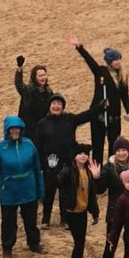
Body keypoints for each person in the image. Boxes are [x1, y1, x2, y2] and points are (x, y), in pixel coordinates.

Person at [0, 115, 45, 258]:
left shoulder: (29, 145)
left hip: (28, 190)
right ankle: (7, 248)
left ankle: (34, 244)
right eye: (12, 129)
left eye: (17, 128)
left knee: (30, 220)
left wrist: (40, 190)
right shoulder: (0, 148)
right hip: (9, 192)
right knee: (8, 222)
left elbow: (37, 169)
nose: (15, 131)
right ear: (7, 130)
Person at [68, 38, 129, 164]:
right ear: (109, 62)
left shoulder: (122, 75)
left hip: (114, 116)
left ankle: (111, 170)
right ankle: (97, 175)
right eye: (114, 60)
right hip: (98, 114)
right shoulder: (101, 72)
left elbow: (124, 95)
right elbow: (90, 61)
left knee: (114, 145)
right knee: (97, 146)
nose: (117, 62)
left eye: (118, 59)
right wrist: (80, 47)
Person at [33, 92, 95, 227]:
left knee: (65, 190)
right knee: (49, 191)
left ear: (63, 107)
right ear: (49, 106)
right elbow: (37, 145)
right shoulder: (42, 123)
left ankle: (64, 218)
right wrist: (40, 164)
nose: (56, 106)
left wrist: (100, 107)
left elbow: (86, 116)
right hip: (50, 162)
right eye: (54, 103)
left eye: (59, 104)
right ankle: (46, 217)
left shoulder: (70, 119)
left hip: (67, 161)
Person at [57, 143, 99, 258]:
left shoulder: (88, 172)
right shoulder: (68, 170)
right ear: (74, 156)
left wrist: (95, 212)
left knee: (81, 242)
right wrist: (52, 169)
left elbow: (92, 194)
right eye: (80, 153)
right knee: (79, 242)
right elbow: (56, 182)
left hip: (82, 210)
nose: (83, 156)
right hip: (72, 211)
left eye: (85, 154)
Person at [14, 56, 54, 141]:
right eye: (40, 76)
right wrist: (20, 68)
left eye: (44, 75)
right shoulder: (29, 91)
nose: (43, 78)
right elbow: (19, 84)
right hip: (28, 130)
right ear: (35, 77)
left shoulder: (49, 92)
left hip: (43, 129)